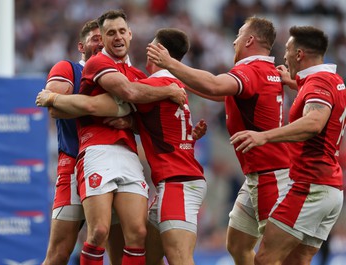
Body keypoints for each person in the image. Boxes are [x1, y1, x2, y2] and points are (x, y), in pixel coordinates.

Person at [146, 17, 291, 265]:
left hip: (271, 177)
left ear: (250, 40)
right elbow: (216, 91)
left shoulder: (252, 70)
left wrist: (169, 63)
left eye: (239, 34)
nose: (234, 40)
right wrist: (176, 81)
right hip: (259, 176)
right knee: (236, 245)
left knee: (271, 258)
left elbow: (214, 86)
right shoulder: (265, 71)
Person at [64, 9, 185, 265]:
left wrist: (131, 120)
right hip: (97, 150)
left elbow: (148, 120)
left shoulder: (140, 76)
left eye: (121, 31)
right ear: (104, 39)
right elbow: (130, 92)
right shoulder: (99, 63)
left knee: (138, 233)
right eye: (110, 33)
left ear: (130, 35)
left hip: (129, 154)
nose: (117, 37)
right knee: (98, 231)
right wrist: (167, 92)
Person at [230, 25, 345, 265]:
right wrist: (295, 84)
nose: (284, 56)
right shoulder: (333, 80)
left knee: (265, 259)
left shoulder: (318, 84)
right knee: (297, 260)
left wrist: (265, 136)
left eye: (287, 49)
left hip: (309, 186)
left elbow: (314, 122)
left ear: (299, 54)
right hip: (331, 189)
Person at [39, 19, 127, 265]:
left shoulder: (120, 75)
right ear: (81, 45)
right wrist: (109, 107)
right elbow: (54, 108)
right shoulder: (67, 68)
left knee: (120, 252)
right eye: (95, 38)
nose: (101, 43)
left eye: (105, 38)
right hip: (74, 161)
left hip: (114, 164)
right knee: (58, 253)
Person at [132, 28, 207, 265]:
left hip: (178, 183)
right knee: (147, 258)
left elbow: (124, 95)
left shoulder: (157, 84)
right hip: (175, 181)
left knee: (180, 259)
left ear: (159, 51)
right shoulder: (176, 84)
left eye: (151, 45)